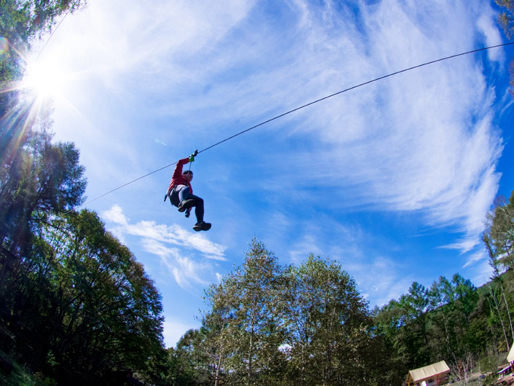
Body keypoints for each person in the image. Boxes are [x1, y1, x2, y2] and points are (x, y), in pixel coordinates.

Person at [164, 151, 211, 231]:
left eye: (192, 177)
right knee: (185, 188)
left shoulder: (189, 186)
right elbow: (180, 163)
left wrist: (188, 210)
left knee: (200, 200)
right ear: (184, 174)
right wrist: (189, 159)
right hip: (174, 193)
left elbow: (190, 198)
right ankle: (182, 203)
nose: (191, 177)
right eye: (190, 175)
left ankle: (199, 222)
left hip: (182, 198)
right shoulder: (177, 176)